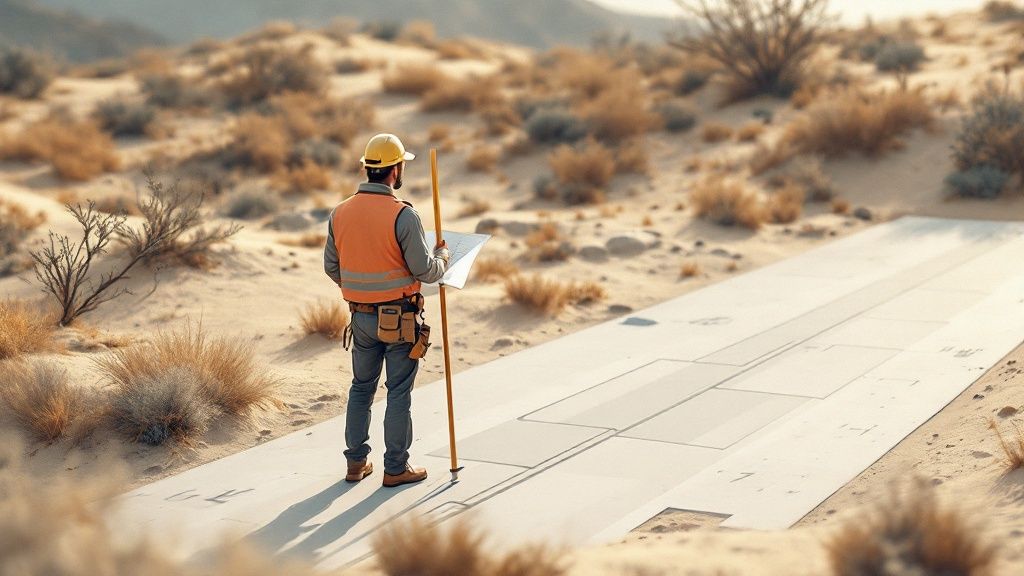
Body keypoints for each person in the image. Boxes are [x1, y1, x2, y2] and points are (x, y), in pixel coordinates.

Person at [323, 133, 449, 488]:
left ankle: (356, 464)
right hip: (400, 319)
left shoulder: (340, 212)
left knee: (361, 388)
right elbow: (425, 271)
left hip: (360, 318)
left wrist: (362, 290)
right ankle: (395, 467)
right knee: (397, 392)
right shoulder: (403, 215)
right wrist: (443, 258)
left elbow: (332, 268)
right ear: (395, 170)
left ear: (368, 168)